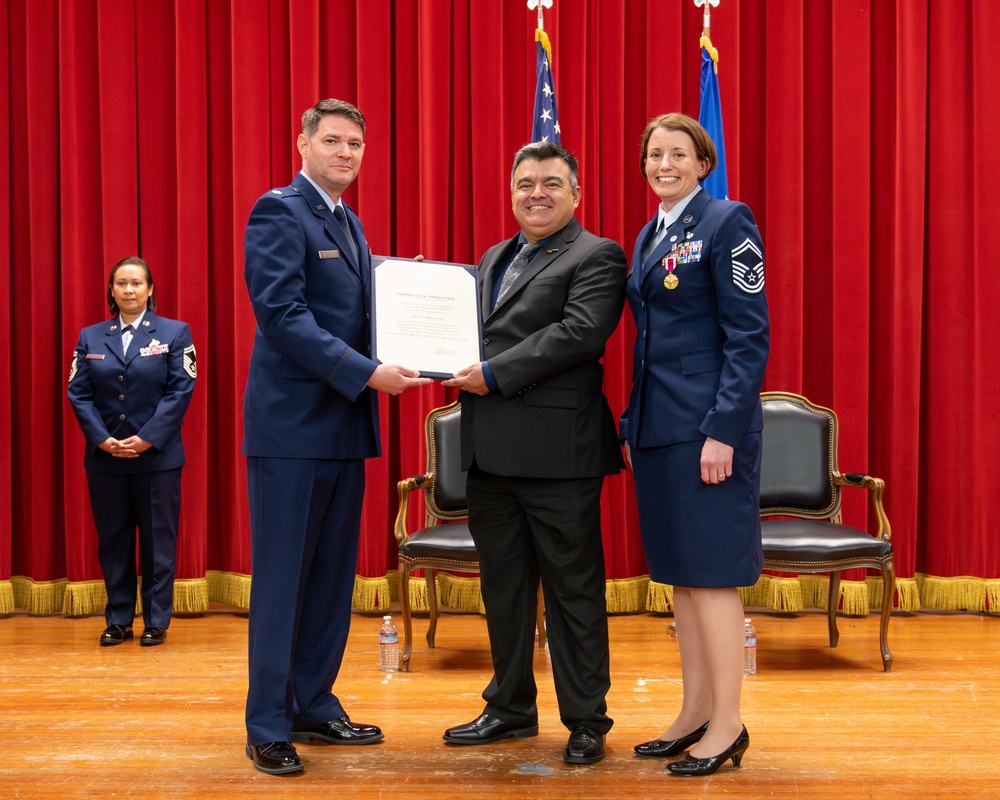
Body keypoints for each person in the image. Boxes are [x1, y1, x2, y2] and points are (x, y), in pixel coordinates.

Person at [242, 98, 430, 776]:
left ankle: (313, 706)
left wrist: (411, 299)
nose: (346, 152)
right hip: (291, 431)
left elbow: (353, 313)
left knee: (327, 581)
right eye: (332, 140)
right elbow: (283, 317)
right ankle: (267, 725)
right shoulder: (278, 212)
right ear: (303, 144)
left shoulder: (348, 224)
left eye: (355, 142)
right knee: (283, 581)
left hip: (343, 431)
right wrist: (368, 372)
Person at [441, 142, 626, 765]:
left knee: (573, 590)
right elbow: (469, 333)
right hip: (489, 453)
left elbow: (579, 333)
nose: (536, 193)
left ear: (576, 193)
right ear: (511, 191)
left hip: (559, 455)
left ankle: (585, 718)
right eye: (524, 183)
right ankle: (510, 708)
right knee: (504, 589)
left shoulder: (598, 255)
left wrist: (491, 373)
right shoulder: (494, 257)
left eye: (551, 182)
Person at [620, 113, 769, 776]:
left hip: (708, 430)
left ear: (703, 163)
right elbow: (650, 342)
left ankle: (729, 724)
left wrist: (722, 431)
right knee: (682, 576)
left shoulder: (727, 222)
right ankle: (695, 711)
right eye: (655, 154)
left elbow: (748, 339)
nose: (665, 164)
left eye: (679, 153)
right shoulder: (651, 233)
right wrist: (634, 423)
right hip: (660, 430)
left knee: (712, 577)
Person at [67, 256, 197, 648]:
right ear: (111, 290)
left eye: (136, 283)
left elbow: (180, 392)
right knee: (114, 540)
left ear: (150, 289)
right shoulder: (90, 337)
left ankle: (156, 621)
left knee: (159, 541)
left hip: (157, 459)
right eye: (121, 283)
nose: (128, 290)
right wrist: (102, 438)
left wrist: (146, 438)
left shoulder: (175, 333)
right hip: (105, 459)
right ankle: (119, 618)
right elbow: (79, 392)